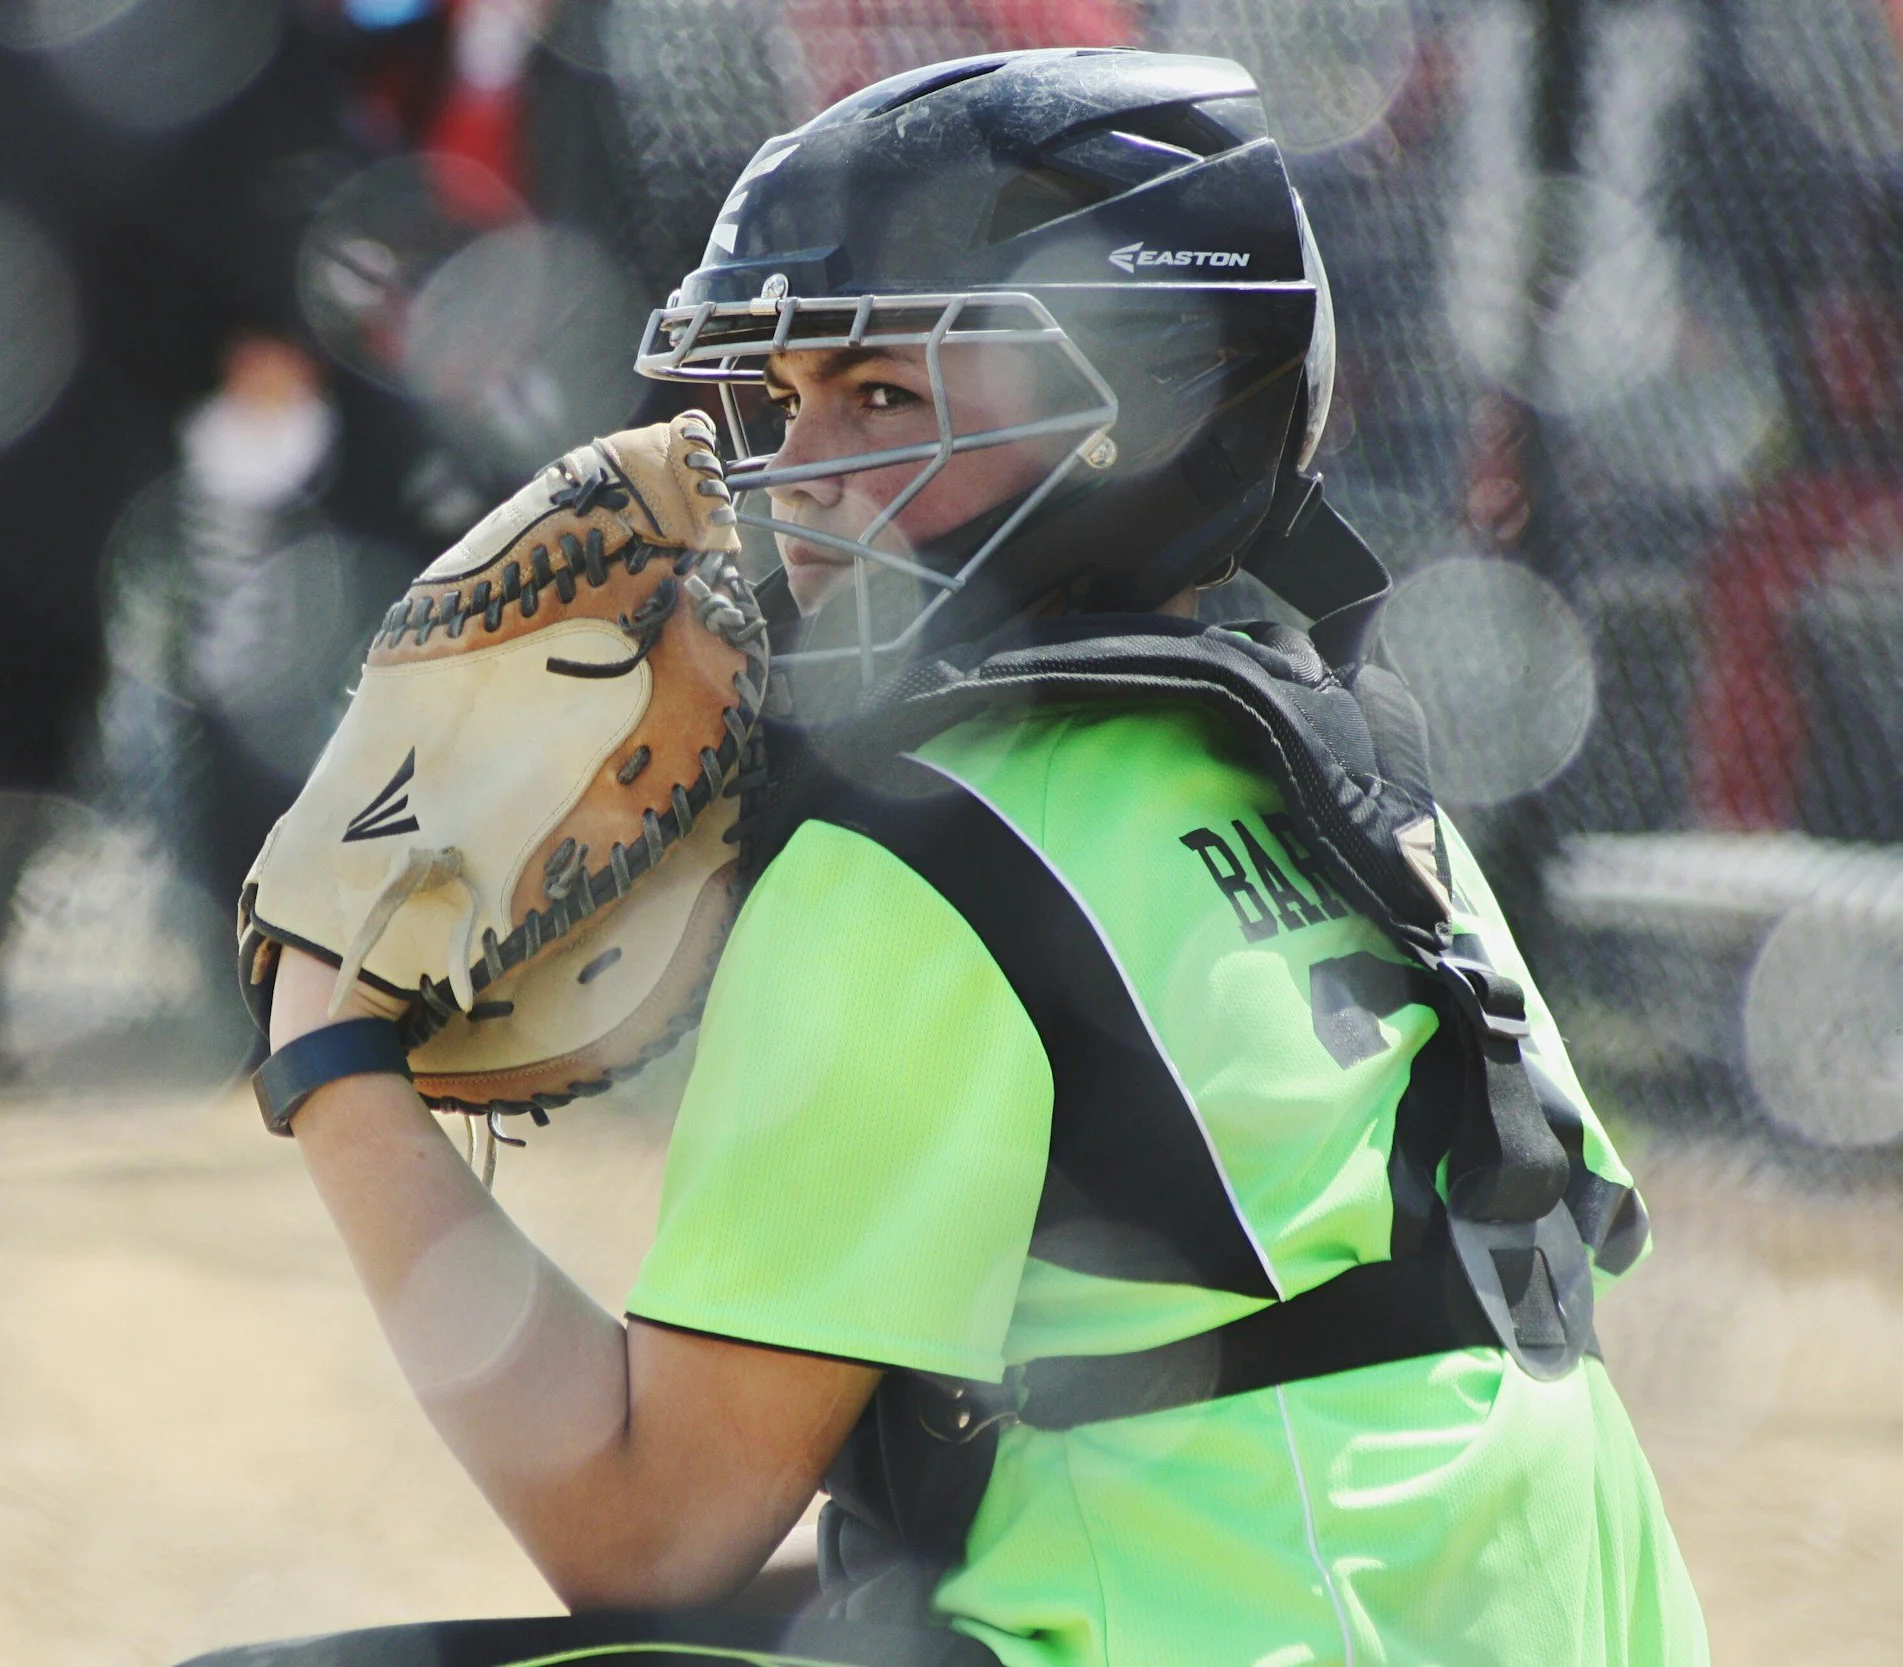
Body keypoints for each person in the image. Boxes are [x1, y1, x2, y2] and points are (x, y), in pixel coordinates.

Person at [210, 50, 1707, 1667]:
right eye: (790, 402)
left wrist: (335, 1047)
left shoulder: (913, 860)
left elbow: (647, 1528)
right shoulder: (1356, 772)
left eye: (886, 394)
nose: (805, 482)